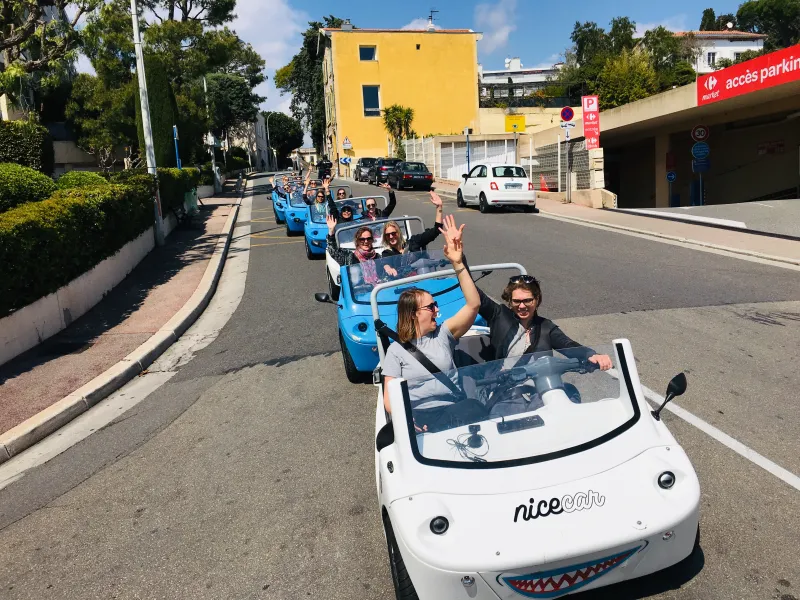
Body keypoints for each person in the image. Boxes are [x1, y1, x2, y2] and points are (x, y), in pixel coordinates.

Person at [381, 216, 485, 431]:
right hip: (418, 416)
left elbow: (474, 305)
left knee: (475, 409)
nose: (437, 310)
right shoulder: (395, 351)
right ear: (413, 314)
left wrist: (458, 263)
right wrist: (407, 421)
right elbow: (390, 401)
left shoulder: (443, 334)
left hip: (453, 409)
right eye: (431, 307)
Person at [476, 275, 612, 369]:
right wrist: (459, 262)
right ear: (510, 302)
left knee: (571, 394)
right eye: (517, 301)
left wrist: (591, 354)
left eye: (527, 300)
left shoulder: (546, 327)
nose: (522, 306)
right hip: (507, 391)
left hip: (543, 389)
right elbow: (476, 296)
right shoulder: (500, 316)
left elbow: (568, 345)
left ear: (537, 300)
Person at [381, 191, 443, 258]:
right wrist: (388, 268)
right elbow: (386, 265)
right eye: (387, 235)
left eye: (393, 233)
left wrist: (439, 207)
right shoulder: (387, 254)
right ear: (385, 237)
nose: (391, 236)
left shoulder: (413, 242)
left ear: (398, 233)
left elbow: (436, 230)